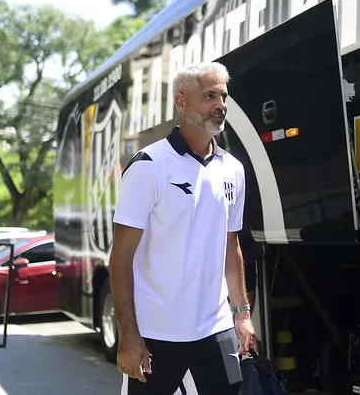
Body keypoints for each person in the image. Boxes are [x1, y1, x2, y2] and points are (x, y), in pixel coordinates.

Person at [110, 62, 258, 395]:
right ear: (182, 103)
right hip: (156, 333)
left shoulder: (232, 169)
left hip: (215, 329)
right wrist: (128, 335)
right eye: (209, 96)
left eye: (223, 96)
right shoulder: (149, 165)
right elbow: (121, 257)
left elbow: (230, 247)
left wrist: (242, 313)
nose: (220, 105)